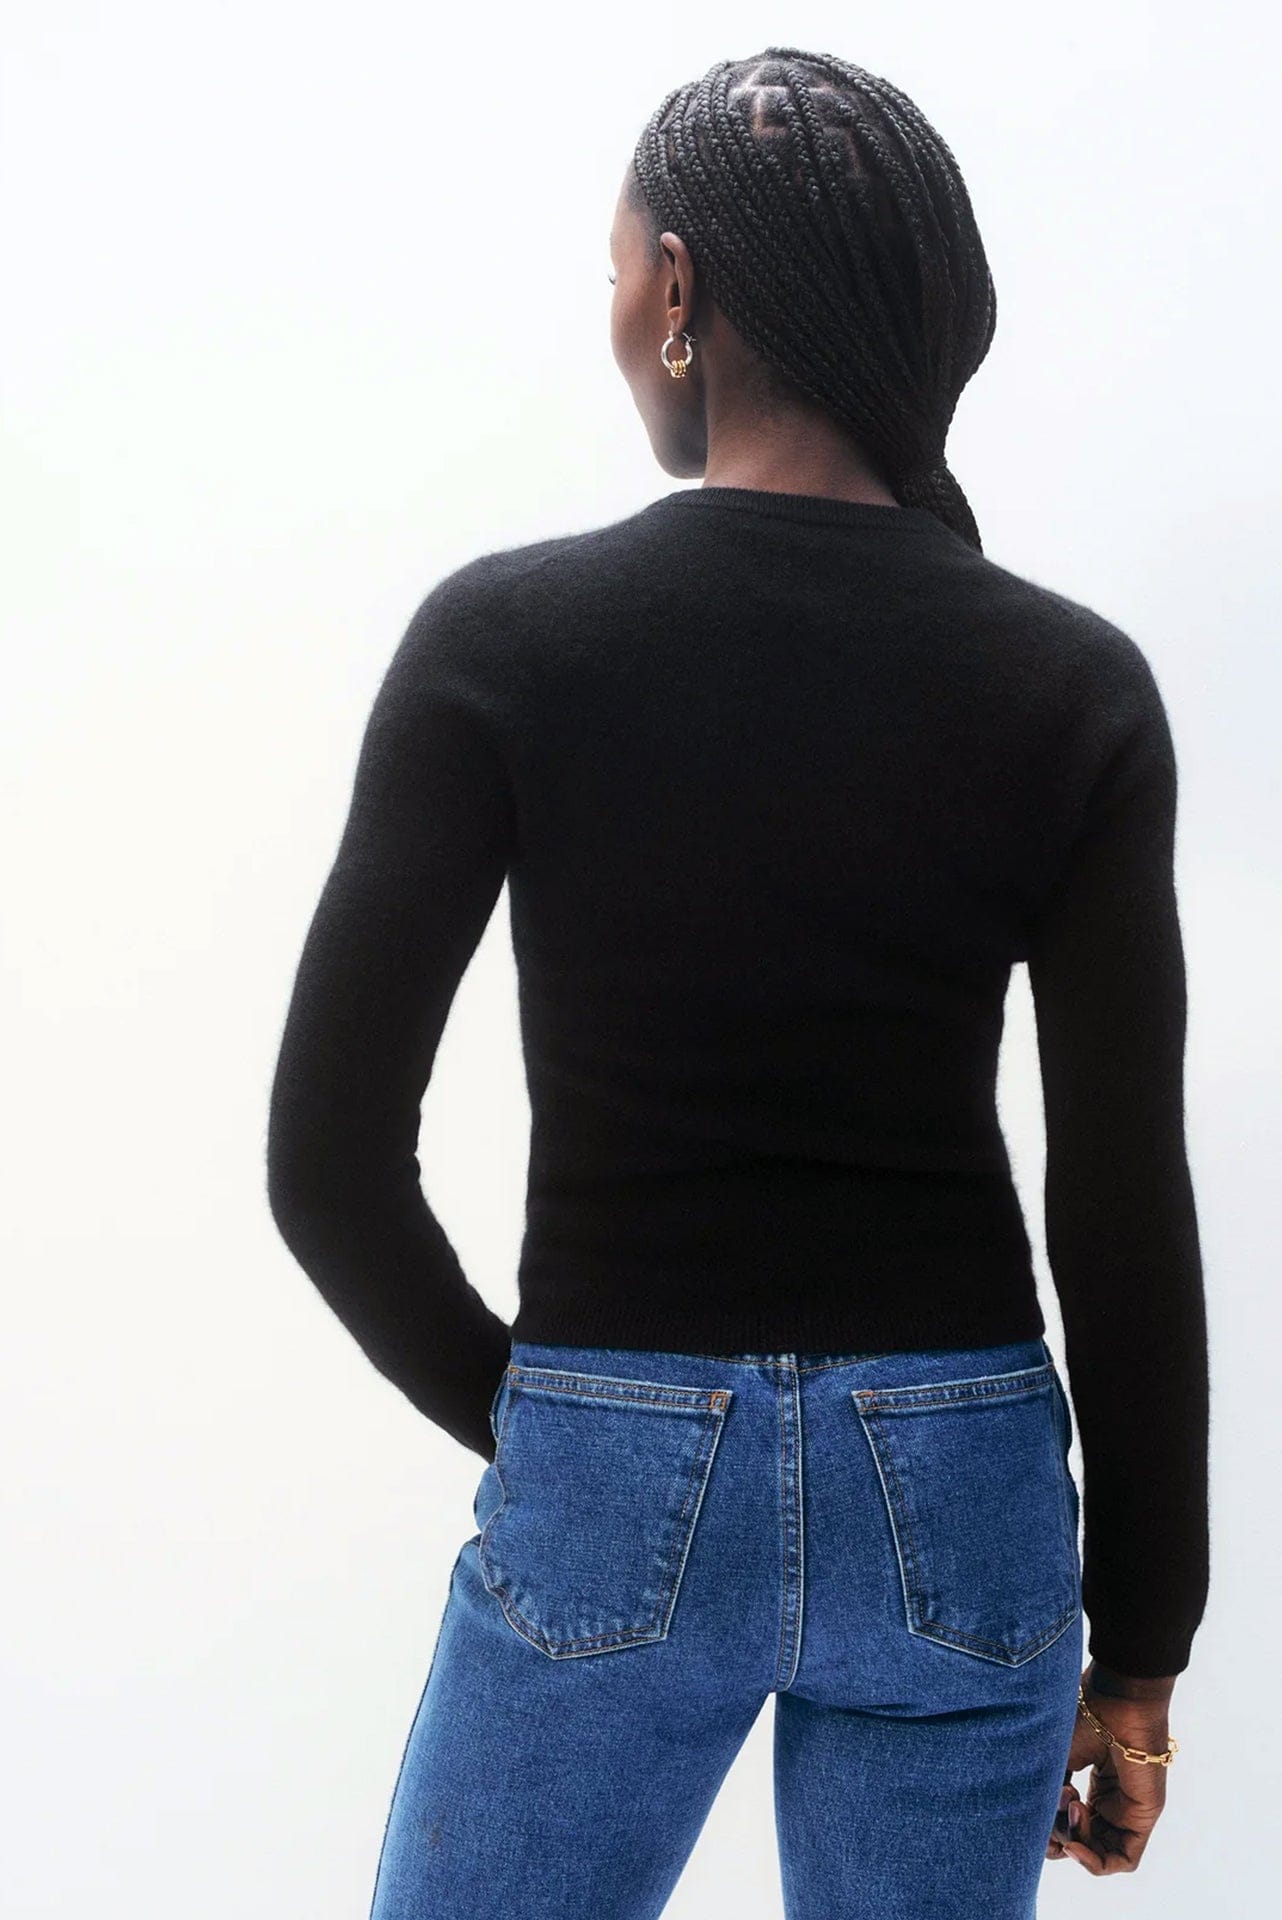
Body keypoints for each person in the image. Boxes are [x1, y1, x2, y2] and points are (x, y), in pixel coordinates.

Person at [266, 45, 1208, 1920]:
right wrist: (1146, 1651)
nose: (618, 309)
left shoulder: (504, 642)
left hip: (615, 1452)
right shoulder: (1073, 687)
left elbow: (326, 1165)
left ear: (680, 290)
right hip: (963, 1495)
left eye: (620, 268)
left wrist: (558, 1431)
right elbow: (1120, 1206)